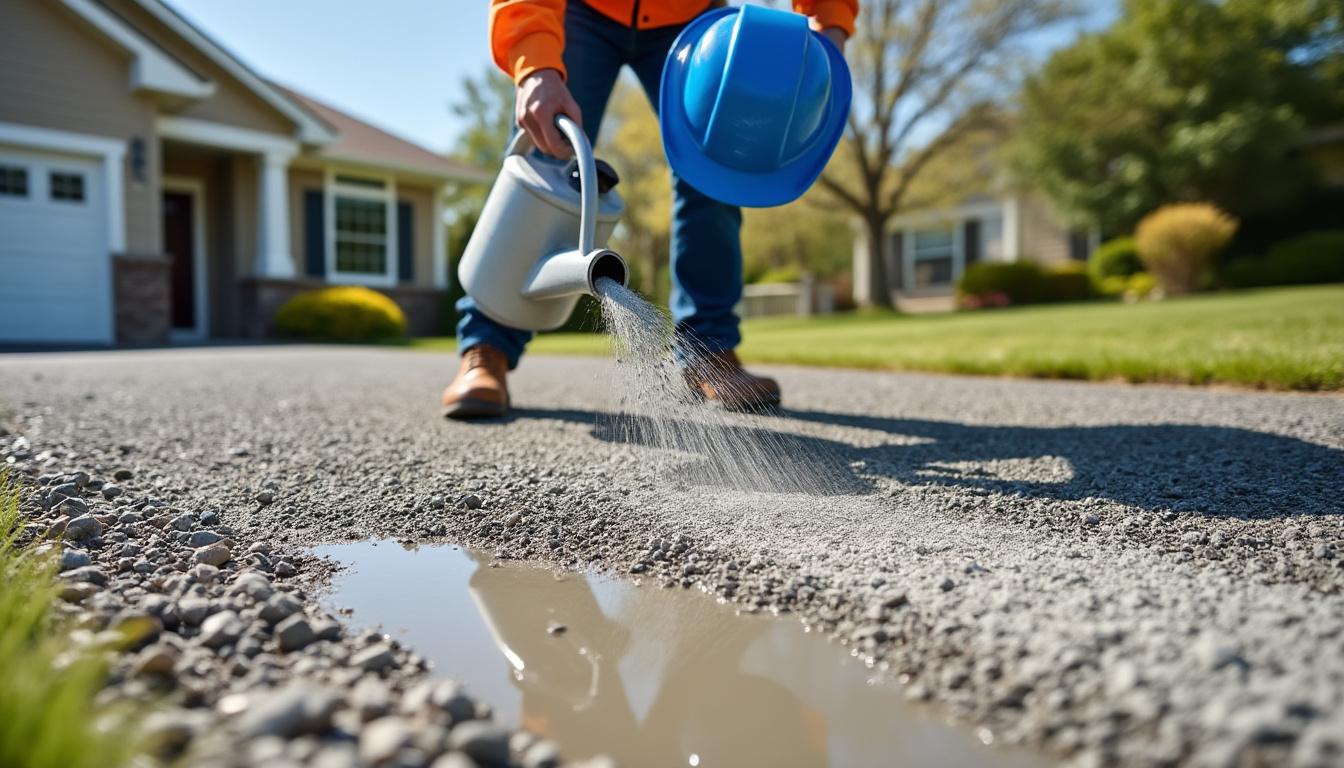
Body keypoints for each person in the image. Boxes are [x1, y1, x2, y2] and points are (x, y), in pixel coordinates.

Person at [443, 0, 856, 419]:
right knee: (544, 161)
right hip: (580, 10)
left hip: (692, 16)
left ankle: (709, 354)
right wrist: (535, 65)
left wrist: (831, 26)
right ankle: (486, 348)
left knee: (715, 168)